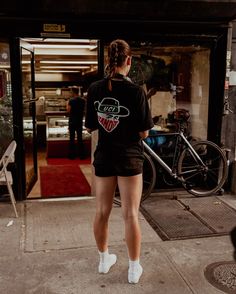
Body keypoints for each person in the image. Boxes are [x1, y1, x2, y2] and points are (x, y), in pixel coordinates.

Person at [85, 39, 154, 284]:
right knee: (130, 214)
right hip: (129, 158)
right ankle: (134, 269)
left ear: (108, 61)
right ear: (128, 61)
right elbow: (145, 132)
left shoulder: (94, 88)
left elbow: (91, 125)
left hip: (104, 156)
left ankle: (104, 260)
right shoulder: (136, 91)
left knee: (102, 211)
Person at [66, 86, 86, 159]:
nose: (70, 93)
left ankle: (72, 155)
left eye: (71, 91)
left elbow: (68, 110)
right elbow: (84, 110)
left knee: (72, 138)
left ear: (73, 92)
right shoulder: (83, 100)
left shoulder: (71, 100)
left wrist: (67, 103)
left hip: (72, 122)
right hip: (79, 121)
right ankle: (82, 155)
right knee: (80, 138)